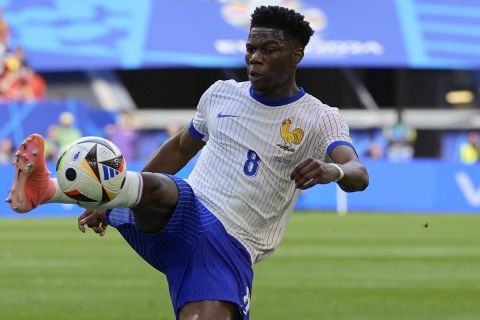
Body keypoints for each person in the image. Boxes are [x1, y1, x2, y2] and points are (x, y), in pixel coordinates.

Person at [7, 6, 369, 320]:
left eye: (268, 50)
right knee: (166, 189)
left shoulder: (319, 117)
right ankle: (45, 189)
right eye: (250, 48)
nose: (254, 57)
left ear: (296, 55)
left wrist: (332, 170)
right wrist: (116, 198)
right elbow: (180, 148)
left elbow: (358, 173)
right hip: (185, 210)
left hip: (231, 245)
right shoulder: (221, 94)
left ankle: (64, 191)